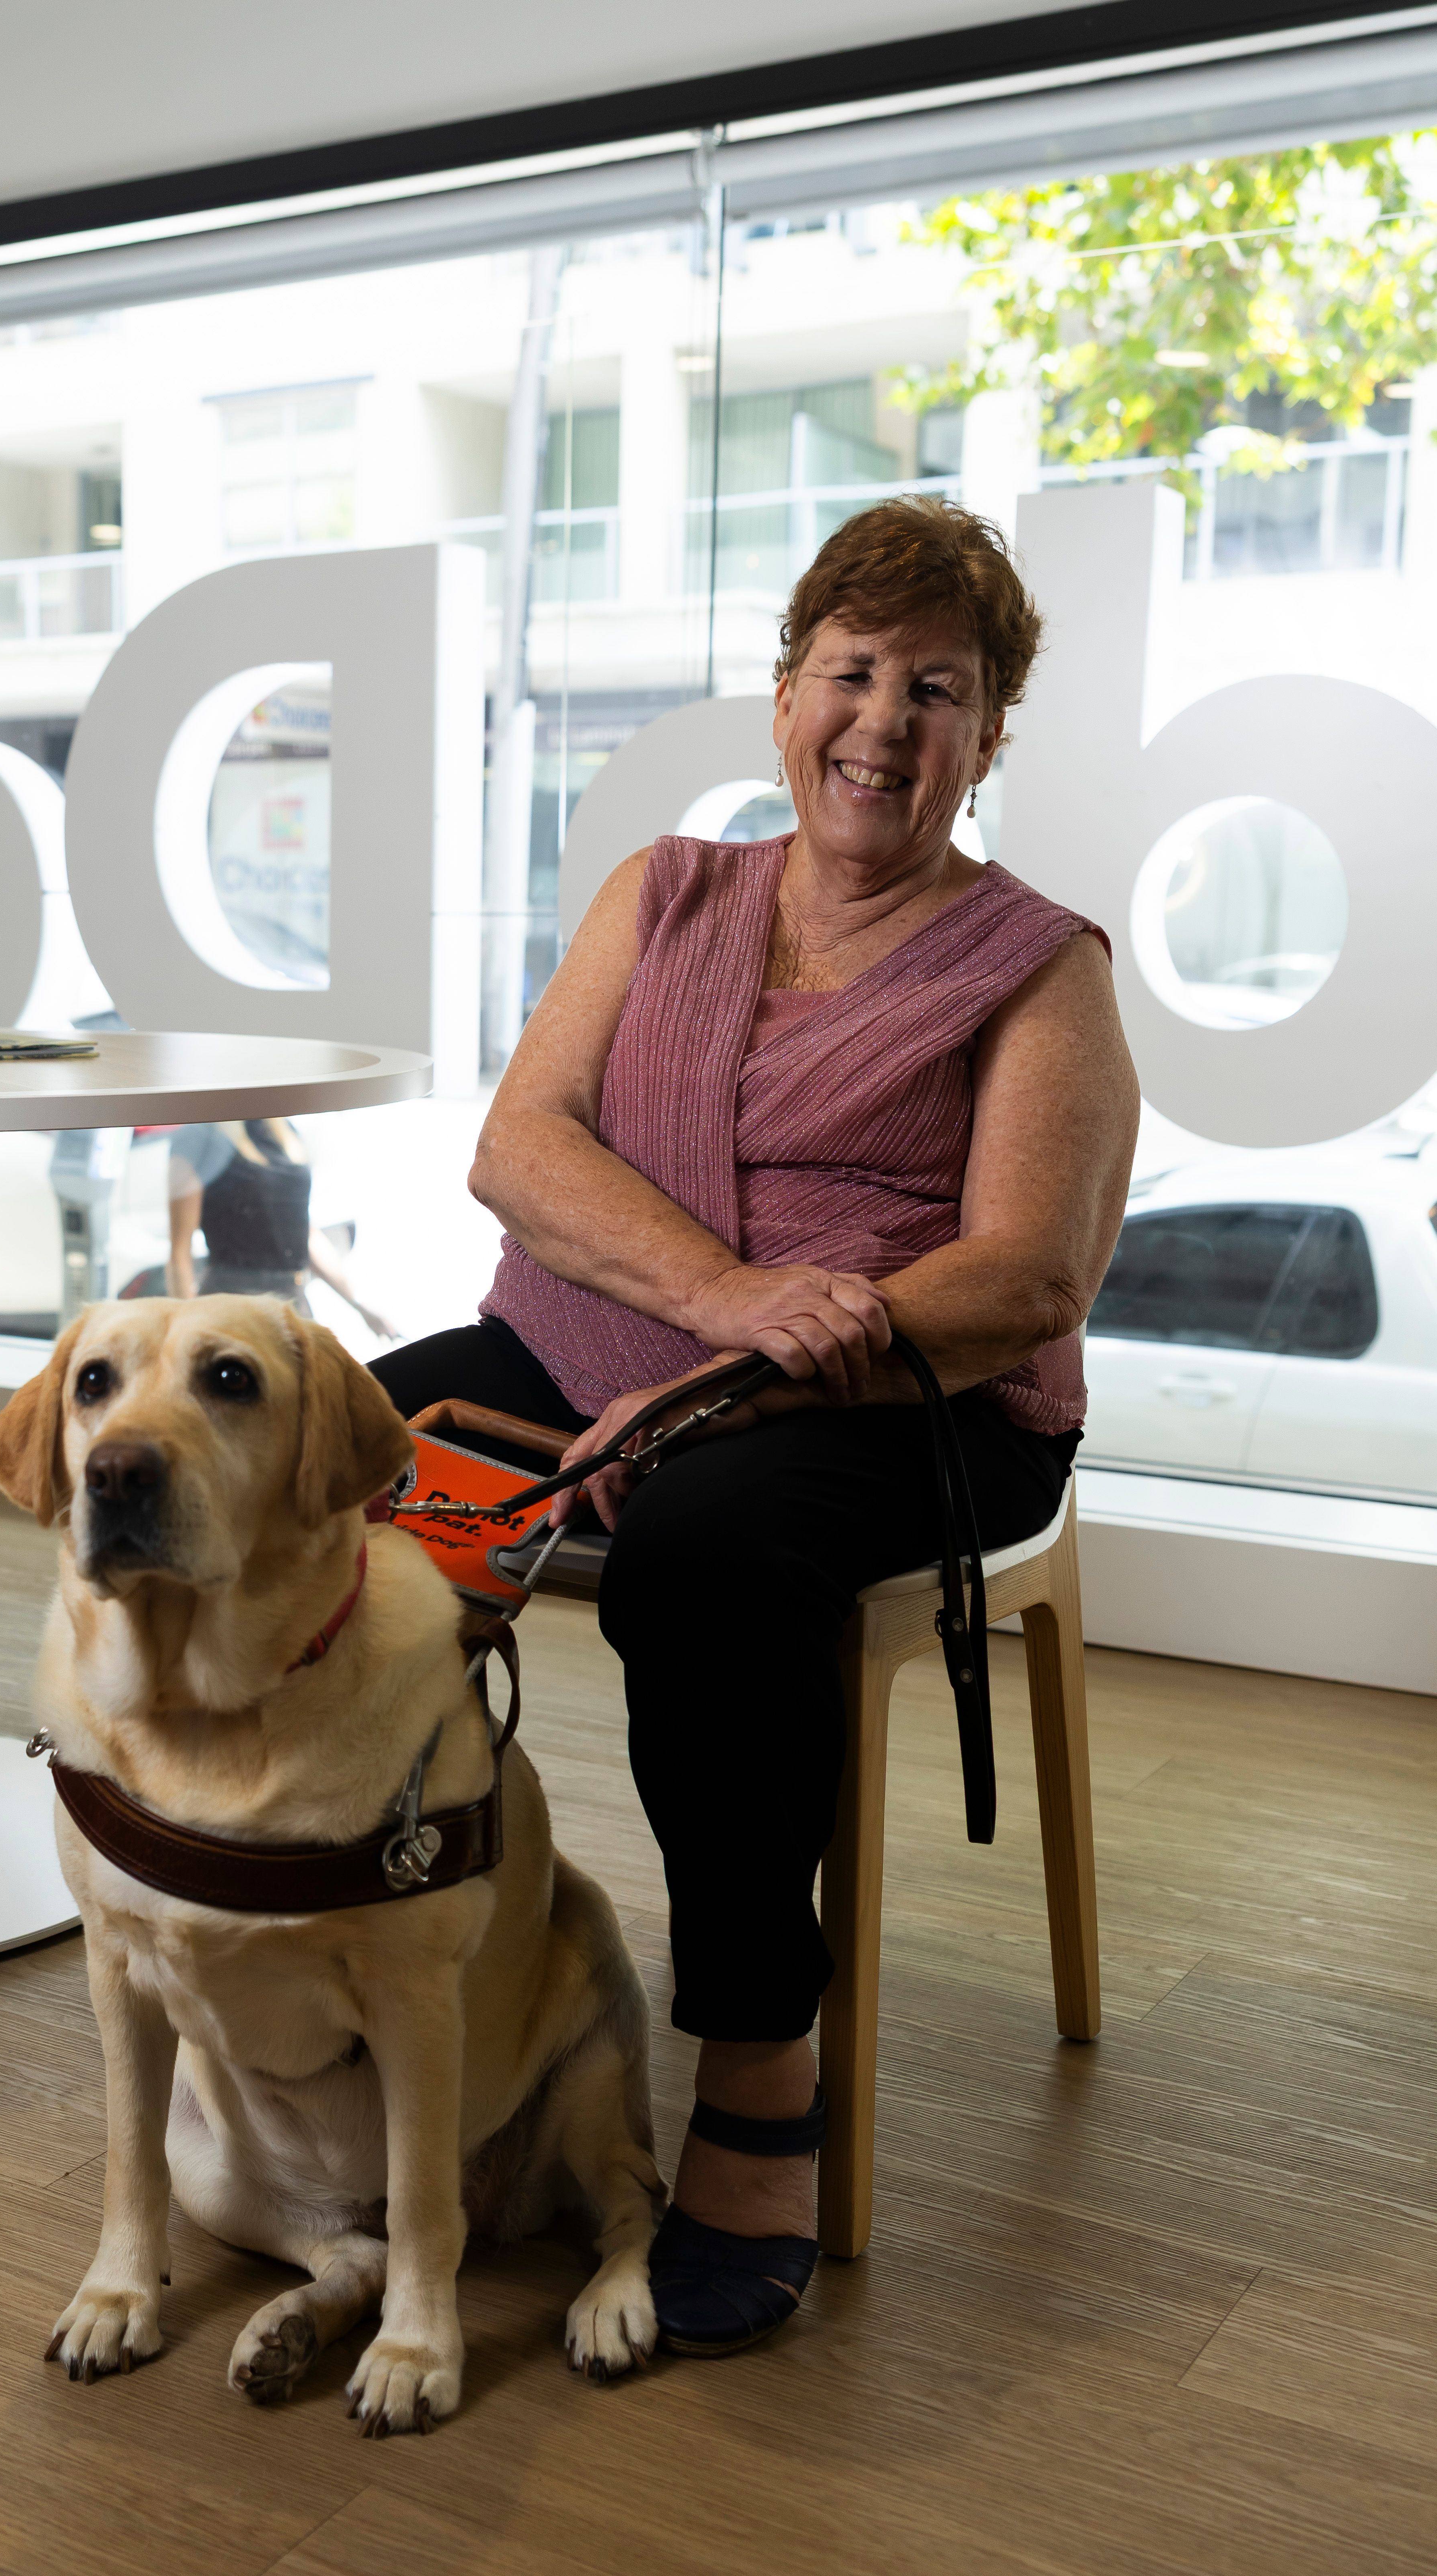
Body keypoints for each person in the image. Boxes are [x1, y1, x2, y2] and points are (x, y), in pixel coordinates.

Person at [370, 496, 1139, 2357]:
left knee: (706, 1554)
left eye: (936, 689)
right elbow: (519, 1146)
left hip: (904, 1403)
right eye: (850, 672)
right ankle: (374, 1938)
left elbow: (1028, 1277)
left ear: (989, 734)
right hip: (595, 1349)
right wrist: (721, 1302)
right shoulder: (668, 889)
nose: (883, 722)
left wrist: (745, 1369)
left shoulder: (1042, 966)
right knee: (335, 1460)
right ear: (783, 692)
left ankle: (756, 2072)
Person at [165, 1118, 397, 1339]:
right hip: (235, 1311)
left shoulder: (282, 1130)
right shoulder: (200, 1136)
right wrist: (189, 1332)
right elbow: (180, 1249)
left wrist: (361, 1306)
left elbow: (302, 1230)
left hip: (293, 1303)